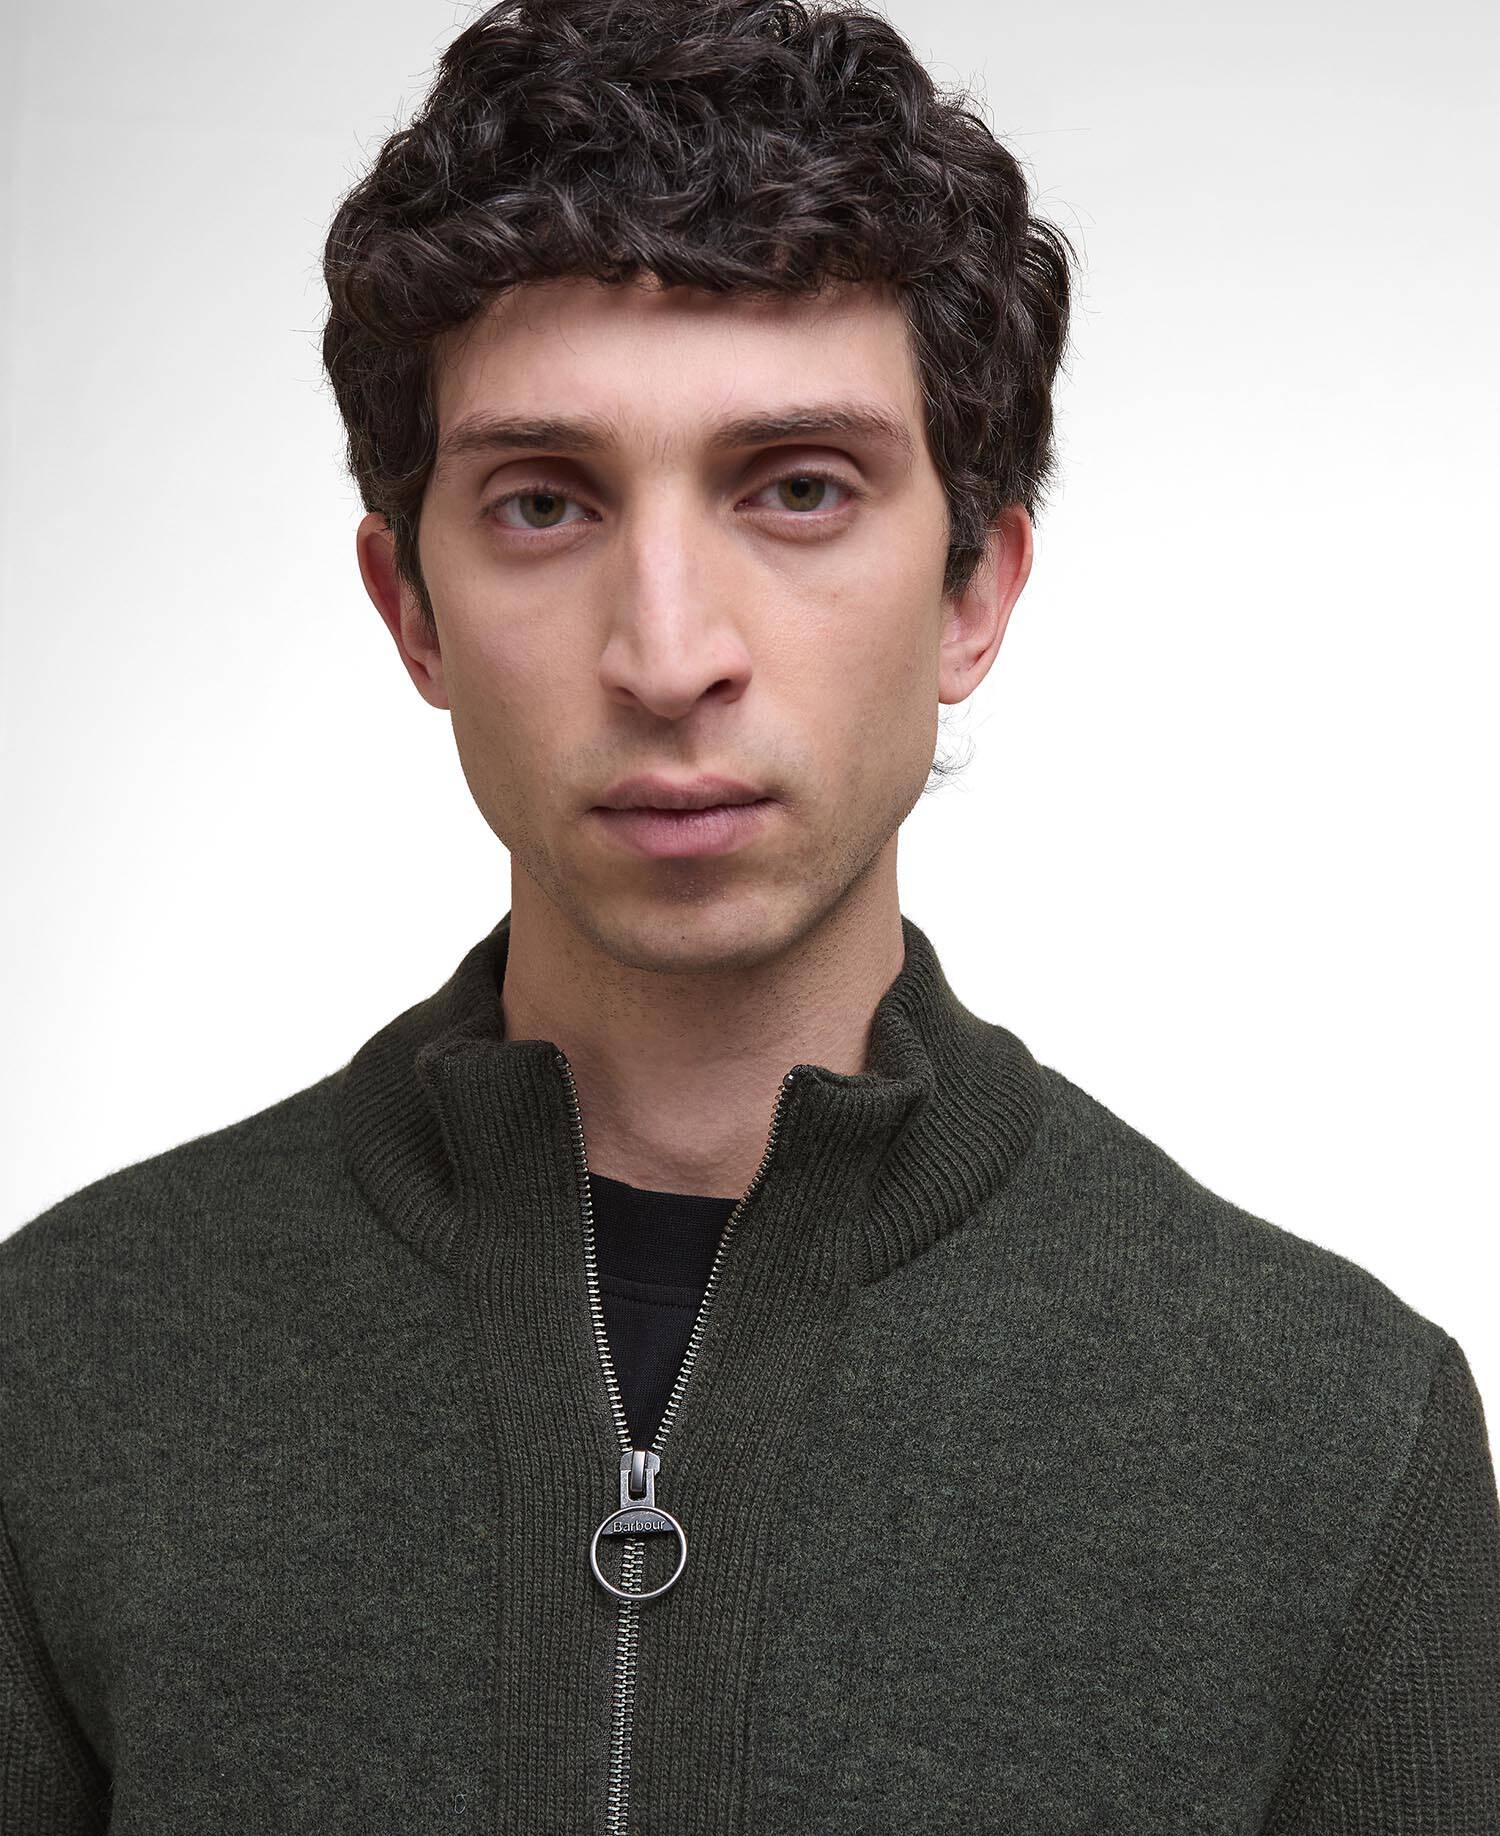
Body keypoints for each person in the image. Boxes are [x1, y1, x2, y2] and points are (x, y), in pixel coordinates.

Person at [2, 0, 1496, 1829]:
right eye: (543, 504)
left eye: (797, 489)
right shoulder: (58, 1370)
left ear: (974, 590)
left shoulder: (1336, 1436)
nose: (668, 652)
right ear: (413, 610)